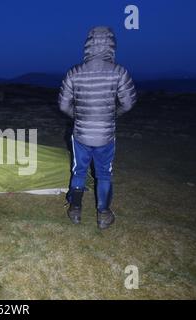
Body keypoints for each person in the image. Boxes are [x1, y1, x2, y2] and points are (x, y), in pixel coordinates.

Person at [58, 26, 137, 229]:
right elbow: (128, 103)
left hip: (81, 134)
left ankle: (75, 210)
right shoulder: (120, 72)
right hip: (106, 136)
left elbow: (63, 105)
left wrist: (80, 117)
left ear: (88, 45)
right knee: (104, 174)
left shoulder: (74, 72)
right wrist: (112, 115)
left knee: (79, 171)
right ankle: (103, 214)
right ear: (111, 45)